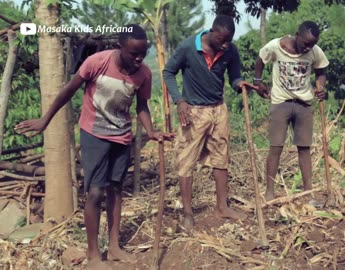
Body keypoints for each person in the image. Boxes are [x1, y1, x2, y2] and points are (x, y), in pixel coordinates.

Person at [15, 24, 172, 269]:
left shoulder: (143, 74)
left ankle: (114, 247)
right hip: (94, 134)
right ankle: (93, 255)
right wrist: (45, 120)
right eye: (134, 54)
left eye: (142, 53)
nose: (139, 59)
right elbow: (68, 90)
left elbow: (141, 106)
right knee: (96, 192)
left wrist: (151, 131)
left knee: (116, 189)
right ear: (120, 47)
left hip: (121, 136)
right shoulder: (97, 62)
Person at [163, 15, 266, 231]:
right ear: (212, 32)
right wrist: (179, 101)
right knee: (186, 161)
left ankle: (222, 206)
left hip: (219, 110)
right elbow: (168, 72)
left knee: (221, 157)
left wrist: (241, 85)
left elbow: (234, 77)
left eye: (229, 40)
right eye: (222, 40)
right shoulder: (188, 47)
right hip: (193, 112)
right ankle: (188, 214)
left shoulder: (230, 50)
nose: (225, 44)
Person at [254, 21, 329, 201]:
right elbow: (260, 59)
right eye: (305, 43)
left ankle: (308, 193)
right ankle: (270, 192)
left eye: (311, 44)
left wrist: (320, 86)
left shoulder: (315, 51)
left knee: (304, 148)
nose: (307, 48)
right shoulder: (276, 46)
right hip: (281, 103)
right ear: (297, 35)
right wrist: (257, 81)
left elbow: (322, 70)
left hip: (304, 104)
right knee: (276, 147)